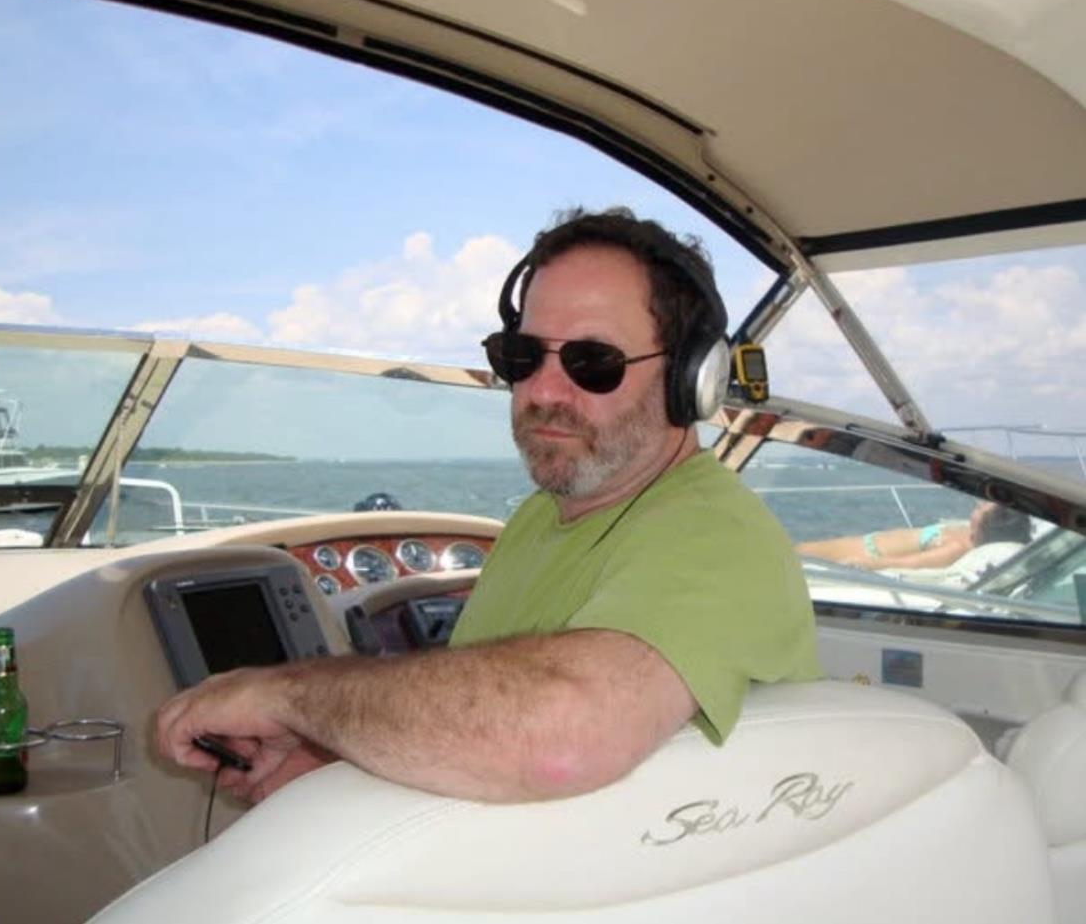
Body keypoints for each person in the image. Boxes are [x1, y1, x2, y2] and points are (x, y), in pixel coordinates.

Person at [156, 208, 822, 805]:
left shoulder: (715, 535)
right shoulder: (546, 512)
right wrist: (329, 748)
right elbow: (491, 725)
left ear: (690, 380)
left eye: (592, 362)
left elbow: (558, 739)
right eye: (523, 355)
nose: (544, 390)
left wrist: (289, 696)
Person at [795, 501, 1031, 571]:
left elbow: (906, 563)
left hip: (864, 550)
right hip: (865, 541)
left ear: (987, 524)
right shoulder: (964, 533)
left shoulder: (957, 547)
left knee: (790, 552)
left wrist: (862, 564)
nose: (976, 506)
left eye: (981, 509)